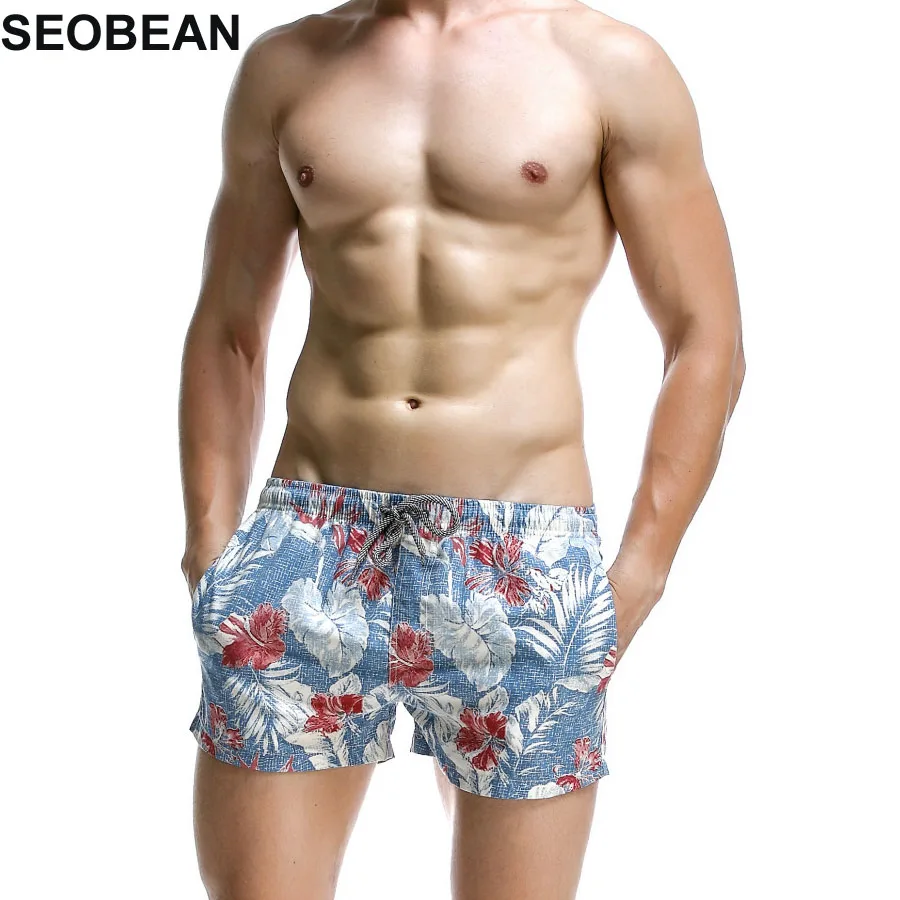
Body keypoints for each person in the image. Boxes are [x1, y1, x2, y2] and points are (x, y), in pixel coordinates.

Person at [178, 0, 745, 896]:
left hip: (520, 555)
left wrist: (639, 574)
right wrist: (210, 548)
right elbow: (228, 326)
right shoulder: (288, 67)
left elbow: (705, 337)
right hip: (308, 541)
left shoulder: (609, 66)